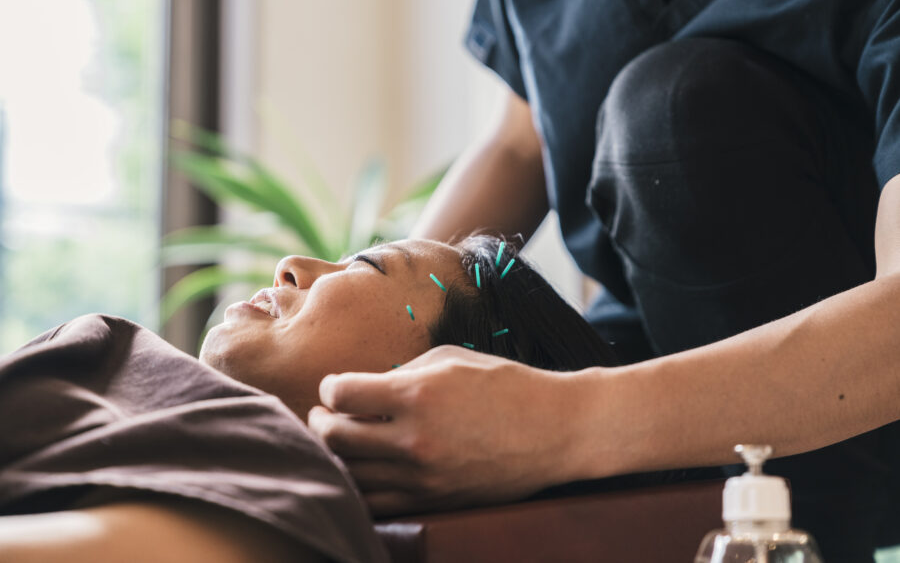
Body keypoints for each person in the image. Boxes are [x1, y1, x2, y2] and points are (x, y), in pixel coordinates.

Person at [307, 0, 900, 560]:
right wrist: (359, 293)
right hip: (637, 337)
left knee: (671, 112)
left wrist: (562, 424)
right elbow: (521, 138)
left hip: (858, 398)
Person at [0, 235, 616, 562]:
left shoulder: (284, 485)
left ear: (438, 385)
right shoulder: (157, 401)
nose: (291, 265)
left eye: (366, 265)